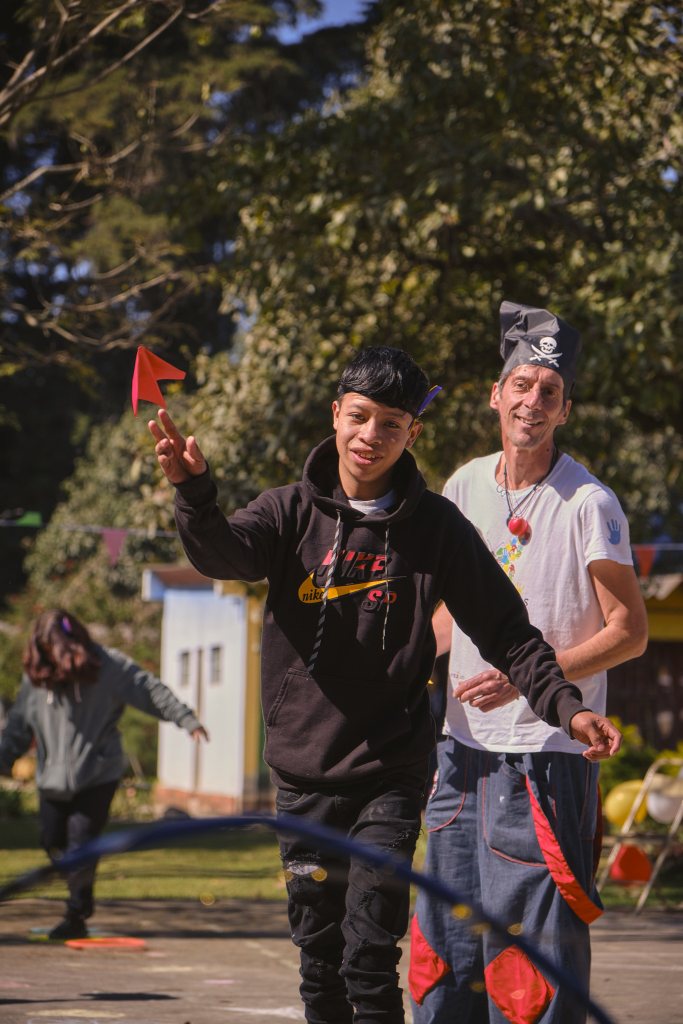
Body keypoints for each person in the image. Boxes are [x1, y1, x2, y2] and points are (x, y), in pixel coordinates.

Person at [148, 345, 622, 1024]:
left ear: (411, 433)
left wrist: (568, 710)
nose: (371, 436)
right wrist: (195, 493)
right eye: (360, 417)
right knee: (319, 960)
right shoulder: (288, 513)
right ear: (336, 414)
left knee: (369, 954)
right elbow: (225, 553)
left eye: (391, 424)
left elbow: (508, 633)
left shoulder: (437, 529)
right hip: (304, 776)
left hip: (389, 775)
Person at [409, 302, 648, 1024]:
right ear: (495, 394)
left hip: (545, 755)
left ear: (564, 410)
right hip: (459, 755)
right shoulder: (462, 486)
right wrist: (394, 665)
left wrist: (529, 678)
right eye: (521, 384)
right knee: (444, 951)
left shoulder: (588, 503)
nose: (532, 401)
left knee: (531, 969)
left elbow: (629, 632)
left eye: (549, 391)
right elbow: (447, 615)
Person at [0, 609, 208, 940]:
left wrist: (185, 719)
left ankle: (76, 914)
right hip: (51, 778)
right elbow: (17, 728)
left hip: (97, 773)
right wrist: (3, 758)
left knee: (82, 843)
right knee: (53, 841)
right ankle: (76, 890)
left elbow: (148, 688)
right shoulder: (36, 678)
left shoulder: (107, 666)